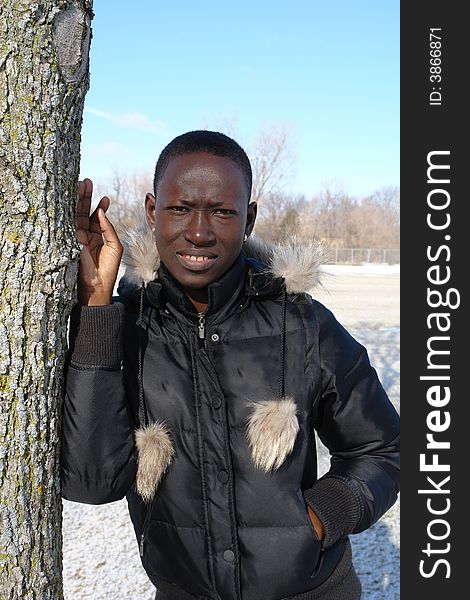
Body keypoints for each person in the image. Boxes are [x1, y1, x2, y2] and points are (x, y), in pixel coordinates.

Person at [61, 130, 400, 600]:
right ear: (152, 210)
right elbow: (92, 480)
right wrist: (97, 309)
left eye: (222, 211)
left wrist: (320, 518)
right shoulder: (126, 328)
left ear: (249, 218)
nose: (199, 232)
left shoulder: (302, 323)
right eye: (180, 209)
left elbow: (383, 448)